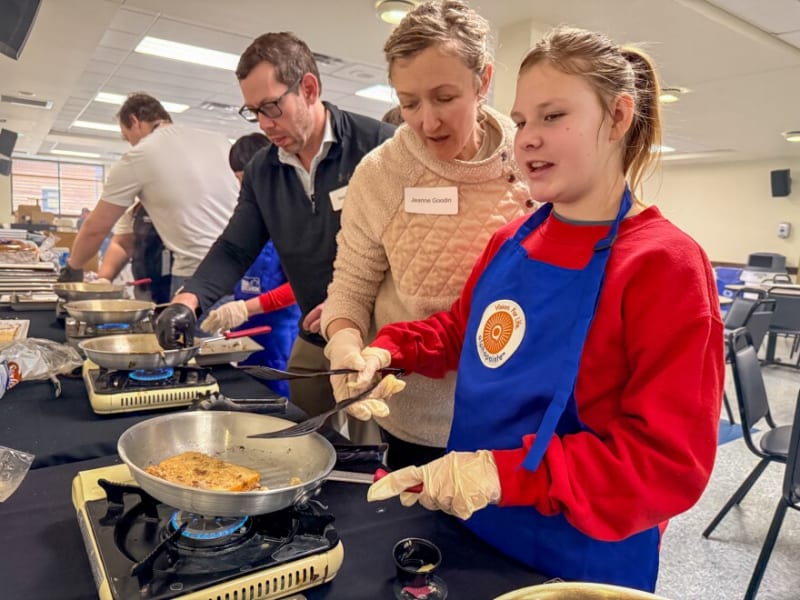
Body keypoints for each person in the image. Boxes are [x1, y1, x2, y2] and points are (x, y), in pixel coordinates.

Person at [351, 26, 724, 591]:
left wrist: (500, 476)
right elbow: (463, 331)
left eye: (552, 117)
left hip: (578, 555)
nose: (525, 139)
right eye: (522, 121)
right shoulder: (514, 239)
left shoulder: (665, 264)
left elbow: (665, 463)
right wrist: (388, 350)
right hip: (471, 526)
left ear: (619, 117)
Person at [320, 0, 532, 464]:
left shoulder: (532, 160)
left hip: (512, 413)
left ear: (484, 81)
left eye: (444, 97)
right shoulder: (381, 175)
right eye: (409, 102)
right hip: (414, 415)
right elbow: (351, 286)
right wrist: (345, 341)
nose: (427, 121)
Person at [154, 32, 395, 420]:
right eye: (253, 111)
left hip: (383, 335)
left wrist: (352, 308)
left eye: (272, 107)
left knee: (378, 440)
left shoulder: (380, 147)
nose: (265, 124)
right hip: (316, 331)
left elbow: (414, 249)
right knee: (308, 422)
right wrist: (188, 300)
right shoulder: (262, 172)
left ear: (310, 88)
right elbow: (234, 248)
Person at [57, 93, 239, 296]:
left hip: (198, 274)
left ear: (135, 121)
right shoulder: (218, 140)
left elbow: (95, 229)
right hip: (244, 268)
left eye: (128, 137)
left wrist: (72, 268)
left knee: (194, 328)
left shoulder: (140, 155)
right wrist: (104, 278)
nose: (131, 144)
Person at [200, 133, 301, 398]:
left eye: (249, 181)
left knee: (279, 402)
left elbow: (299, 288)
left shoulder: (293, 221)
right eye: (241, 182)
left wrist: (247, 308)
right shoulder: (250, 221)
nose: (247, 190)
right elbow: (229, 260)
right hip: (245, 336)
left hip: (280, 336)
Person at [95, 201, 172, 304]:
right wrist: (103, 280)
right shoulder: (133, 203)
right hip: (144, 287)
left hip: (183, 286)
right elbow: (122, 244)